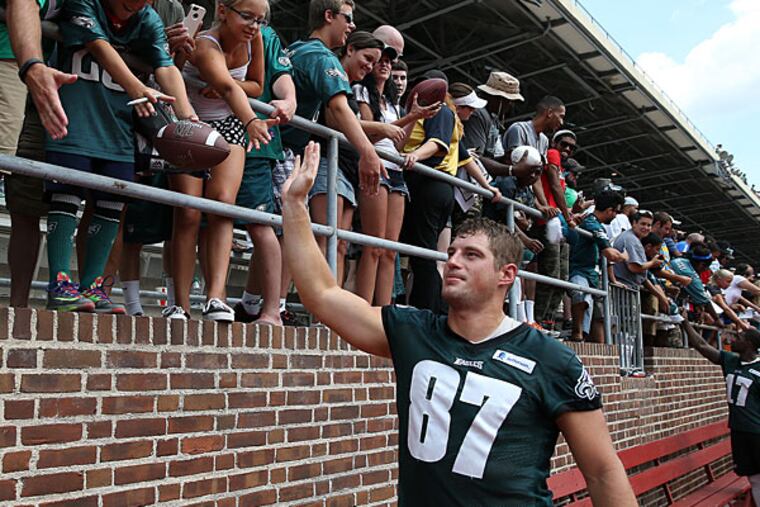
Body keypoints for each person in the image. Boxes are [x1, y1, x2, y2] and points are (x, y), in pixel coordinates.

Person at [281, 141, 636, 505]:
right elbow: (322, 295)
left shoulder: (552, 361)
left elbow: (603, 472)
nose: (453, 262)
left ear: (506, 274)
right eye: (451, 253)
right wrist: (294, 206)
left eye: (471, 255)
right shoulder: (414, 332)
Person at [42, 0, 196, 313]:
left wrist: (187, 118)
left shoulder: (147, 17)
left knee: (113, 202)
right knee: (66, 197)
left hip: (118, 124)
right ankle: (59, 284)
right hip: (74, 116)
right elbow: (98, 46)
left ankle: (92, 286)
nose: (135, 3)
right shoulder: (83, 2)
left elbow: (165, 65)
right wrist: (138, 87)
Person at [166, 0, 277, 322]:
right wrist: (250, 120)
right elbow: (227, 86)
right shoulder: (203, 42)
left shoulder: (252, 38)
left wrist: (235, 93)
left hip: (228, 125)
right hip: (191, 125)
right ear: (223, 10)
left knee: (223, 207)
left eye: (260, 20)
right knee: (187, 211)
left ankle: (215, 297)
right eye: (247, 17)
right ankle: (179, 303)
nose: (254, 26)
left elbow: (254, 85)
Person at [400, 71, 501, 313]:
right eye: (468, 107)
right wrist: (486, 186)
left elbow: (437, 143)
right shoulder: (448, 116)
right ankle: (436, 310)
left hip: (429, 185)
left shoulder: (441, 113)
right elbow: (466, 159)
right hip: (442, 190)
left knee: (424, 255)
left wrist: (414, 156)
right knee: (433, 257)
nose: (472, 112)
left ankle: (427, 311)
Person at [2, 0, 77, 307]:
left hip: (52, 93)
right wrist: (33, 66)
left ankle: (18, 309)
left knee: (27, 205)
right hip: (13, 67)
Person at [353, 43, 438, 305]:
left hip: (395, 171)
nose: (386, 64)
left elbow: (398, 143)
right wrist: (408, 117)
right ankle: (363, 310)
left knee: (391, 251)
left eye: (390, 60)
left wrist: (413, 117)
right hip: (374, 164)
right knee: (374, 246)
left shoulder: (392, 102)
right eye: (381, 60)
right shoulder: (360, 91)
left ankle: (383, 312)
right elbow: (371, 132)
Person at [233, 15, 297, 326]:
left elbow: (281, 75)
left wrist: (290, 99)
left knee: (263, 223)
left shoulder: (266, 34)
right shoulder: (210, 32)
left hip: (254, 140)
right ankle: (205, 302)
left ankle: (271, 310)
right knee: (197, 219)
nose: (252, 22)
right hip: (210, 134)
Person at [681, 319, 760, 503]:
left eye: (739, 337)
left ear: (749, 344)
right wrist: (684, 322)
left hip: (756, 432)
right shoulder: (731, 361)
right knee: (753, 478)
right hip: (739, 431)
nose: (733, 338)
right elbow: (701, 345)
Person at [565, 191, 628, 342]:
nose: (615, 216)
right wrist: (624, 256)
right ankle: (576, 333)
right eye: (616, 212)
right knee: (580, 295)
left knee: (592, 311)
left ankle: (581, 337)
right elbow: (610, 254)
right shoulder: (591, 223)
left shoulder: (591, 222)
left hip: (591, 274)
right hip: (579, 270)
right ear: (609, 210)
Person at [612, 210, 662, 289]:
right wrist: (652, 262)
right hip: (624, 287)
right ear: (634, 223)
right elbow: (634, 267)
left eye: (649, 225)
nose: (646, 228)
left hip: (625, 286)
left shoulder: (630, 236)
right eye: (643, 224)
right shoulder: (631, 239)